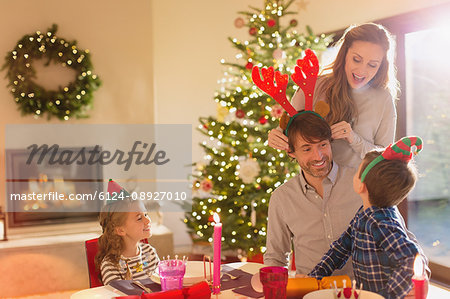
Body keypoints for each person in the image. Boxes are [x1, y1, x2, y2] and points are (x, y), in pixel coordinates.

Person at [308, 137, 429, 299]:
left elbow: (410, 259)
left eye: (358, 170)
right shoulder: (364, 213)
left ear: (361, 185)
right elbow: (341, 247)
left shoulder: (381, 222)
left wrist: (387, 295)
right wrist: (316, 275)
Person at [268, 23, 399, 168]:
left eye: (372, 65)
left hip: (359, 187)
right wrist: (277, 136)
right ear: (344, 54)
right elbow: (288, 127)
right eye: (357, 59)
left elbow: (385, 158)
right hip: (315, 186)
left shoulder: (383, 99)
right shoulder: (315, 86)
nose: (362, 70)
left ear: (381, 65)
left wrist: (354, 139)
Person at [264, 111, 361, 277]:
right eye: (307, 149)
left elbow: (396, 232)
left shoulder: (360, 182)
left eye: (323, 145)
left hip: (361, 291)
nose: (318, 156)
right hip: (310, 292)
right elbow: (276, 257)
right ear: (291, 152)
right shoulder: (282, 198)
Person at [95, 180, 159, 285]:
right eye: (139, 218)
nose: (148, 220)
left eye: (146, 214)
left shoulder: (150, 253)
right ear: (120, 230)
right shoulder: (111, 266)